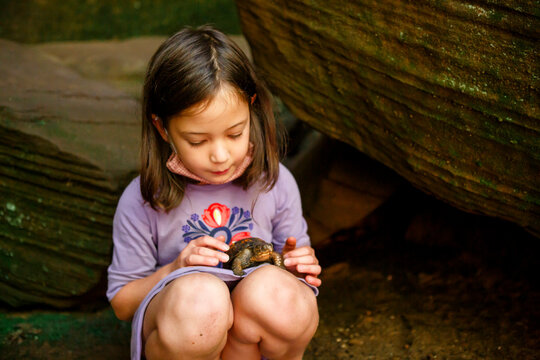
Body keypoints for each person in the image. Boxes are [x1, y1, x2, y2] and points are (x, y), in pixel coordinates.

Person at [107, 25, 321, 360]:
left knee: (279, 295)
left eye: (234, 134)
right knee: (202, 298)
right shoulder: (144, 198)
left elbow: (297, 278)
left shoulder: (275, 183)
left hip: (247, 341)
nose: (220, 155)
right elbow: (121, 303)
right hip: (186, 329)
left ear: (251, 108)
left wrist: (297, 269)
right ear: (162, 128)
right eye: (198, 141)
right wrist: (176, 267)